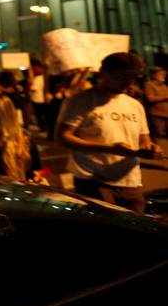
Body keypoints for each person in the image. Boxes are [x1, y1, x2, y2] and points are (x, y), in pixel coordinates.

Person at [57, 52, 163, 213]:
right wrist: (109, 147)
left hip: (132, 182)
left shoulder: (135, 105)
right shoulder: (81, 100)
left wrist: (151, 148)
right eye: (120, 76)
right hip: (93, 181)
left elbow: (144, 140)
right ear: (103, 72)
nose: (127, 82)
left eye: (132, 78)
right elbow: (63, 137)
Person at [144, 66, 168, 138]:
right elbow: (150, 98)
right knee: (159, 136)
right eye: (160, 74)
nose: (163, 76)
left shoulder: (165, 86)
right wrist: (166, 97)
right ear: (153, 75)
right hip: (157, 115)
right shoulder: (149, 84)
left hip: (166, 115)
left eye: (164, 74)